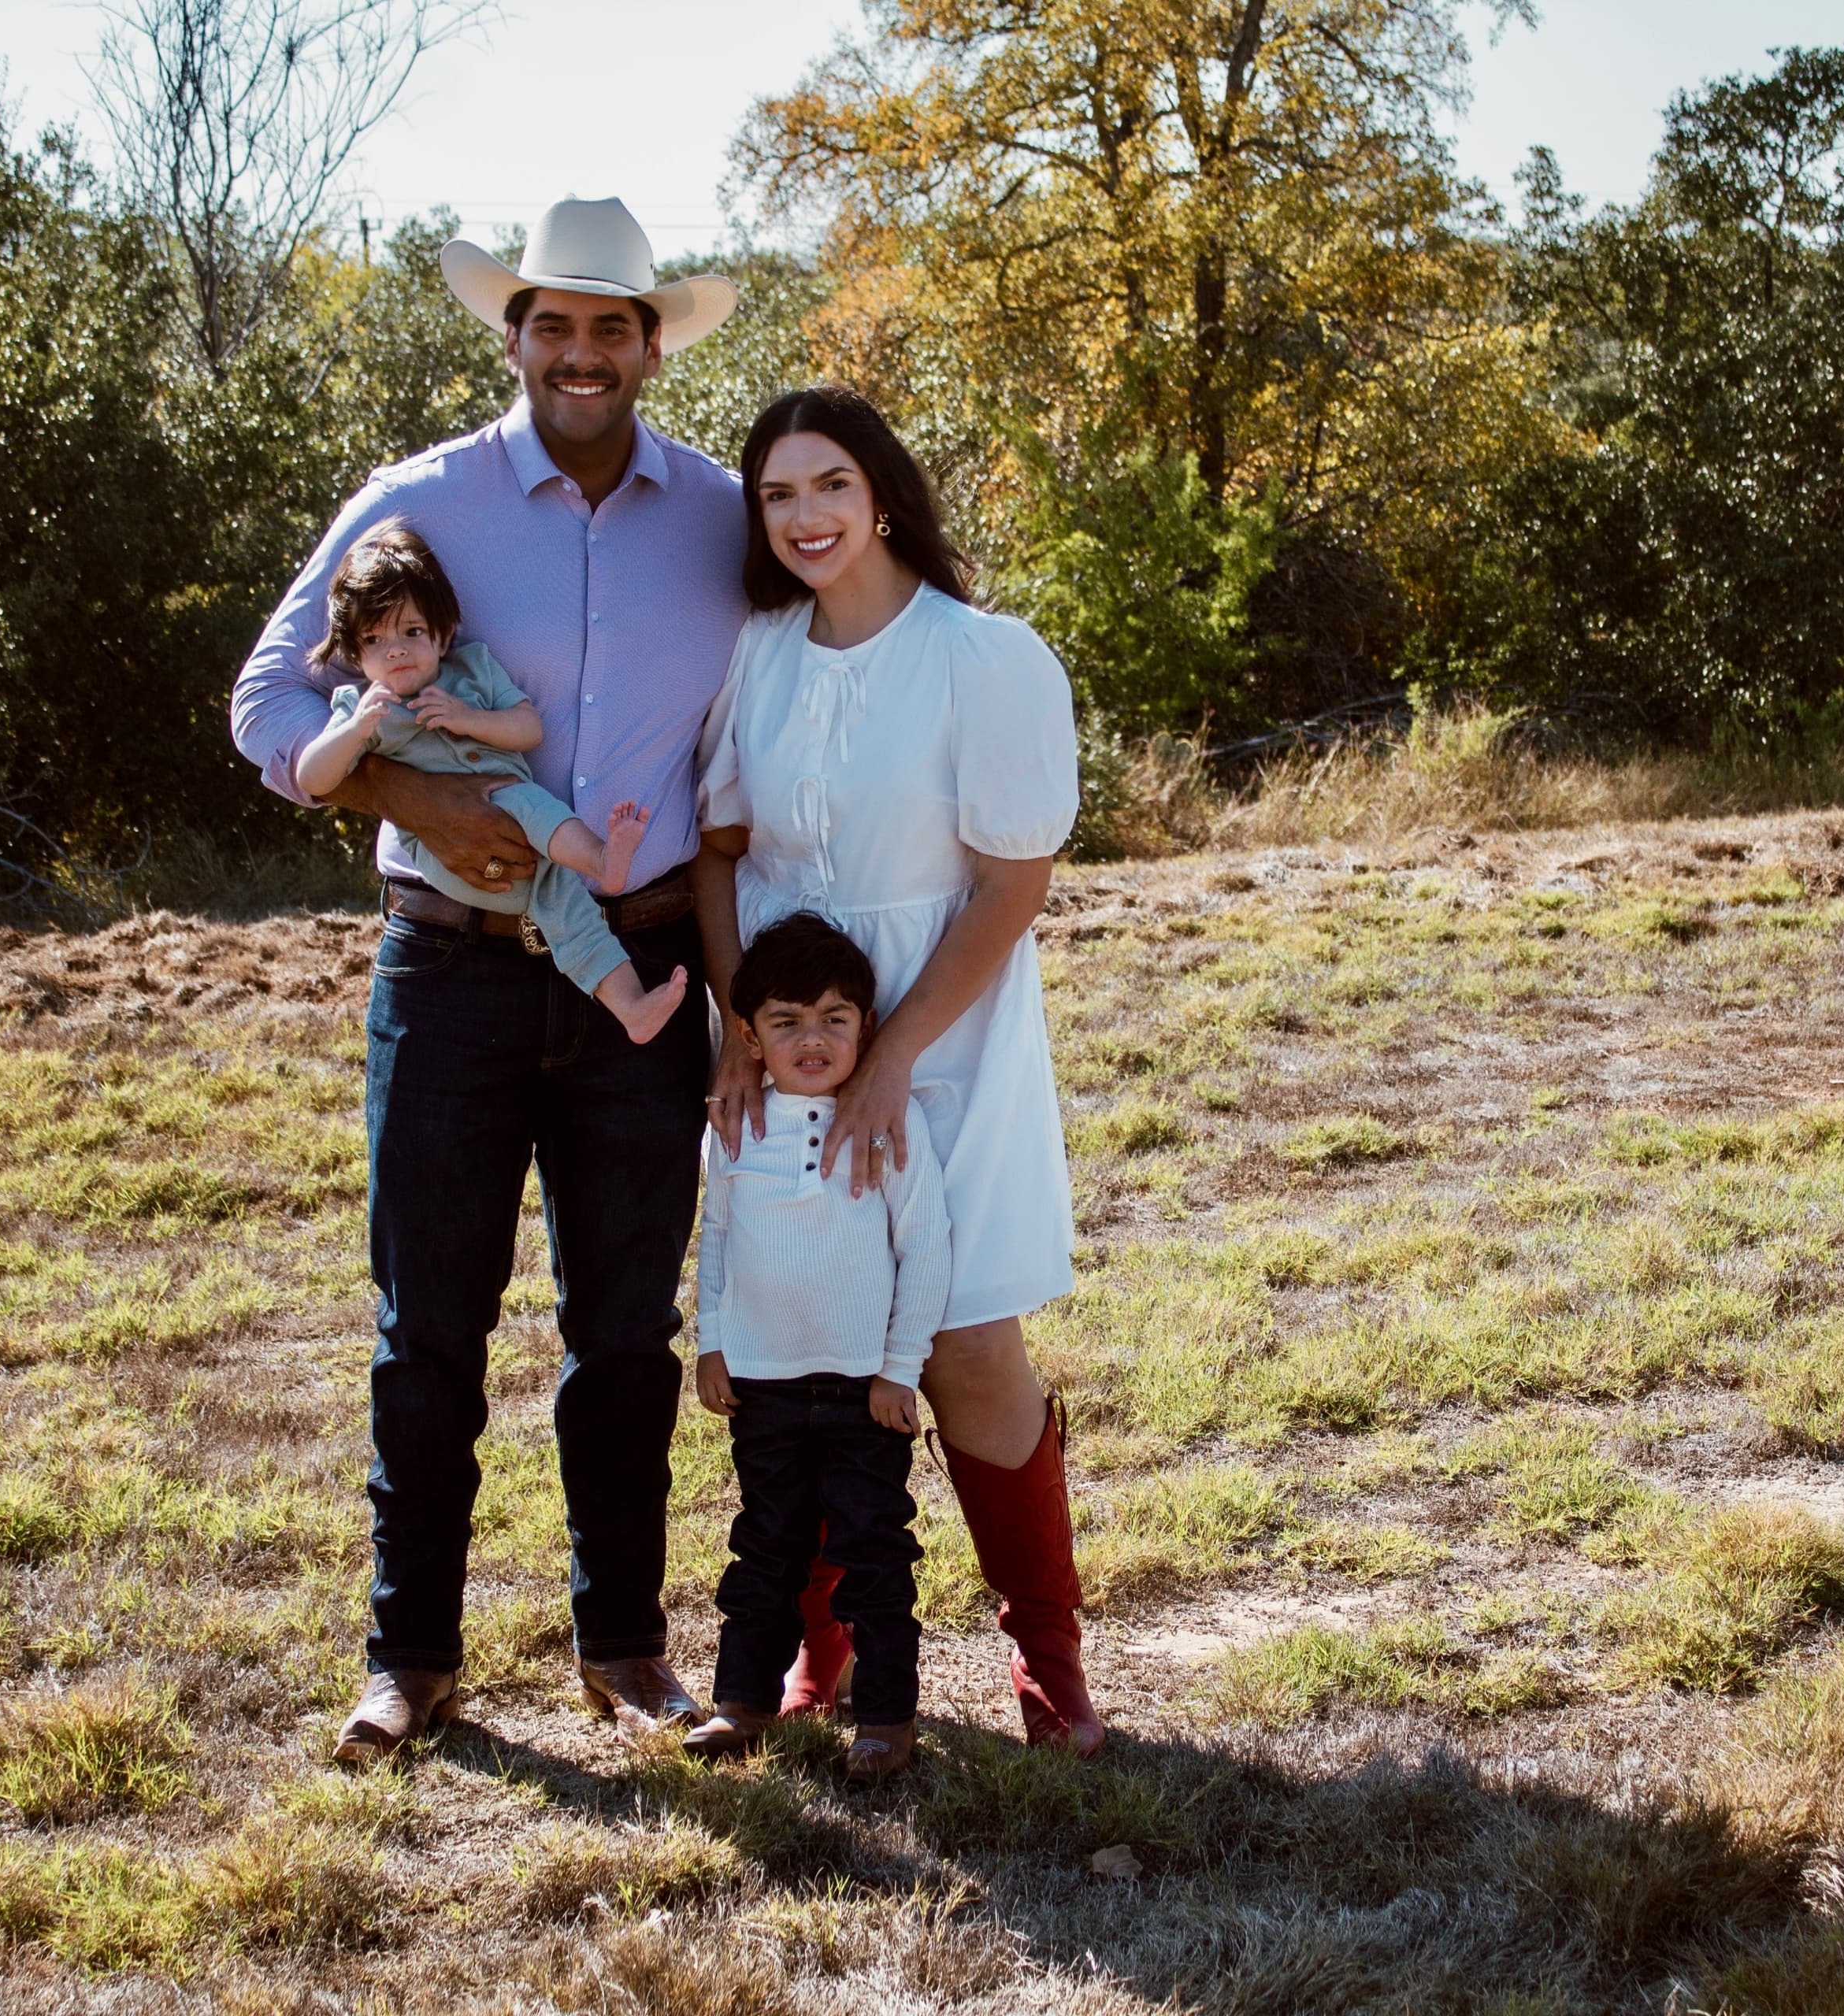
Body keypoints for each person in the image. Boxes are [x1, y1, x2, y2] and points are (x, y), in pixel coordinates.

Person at [230, 197, 746, 1759]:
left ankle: (630, 1652)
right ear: (514, 332)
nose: (582, 352)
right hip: (444, 972)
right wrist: (419, 798)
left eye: (613, 325)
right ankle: (410, 1658)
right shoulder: (422, 501)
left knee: (624, 1334)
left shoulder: (721, 517)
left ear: (653, 343)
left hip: (637, 967)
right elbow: (269, 699)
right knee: (427, 1328)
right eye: (554, 323)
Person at [694, 384, 1104, 1755]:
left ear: (881, 490)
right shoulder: (755, 654)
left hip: (948, 1030)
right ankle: (828, 1651)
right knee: (800, 1337)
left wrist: (898, 1058)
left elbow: (1011, 881)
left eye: (828, 485)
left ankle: (1049, 1661)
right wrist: (738, 1037)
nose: (805, 516)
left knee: (970, 1344)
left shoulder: (980, 657)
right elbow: (719, 855)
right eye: (776, 495)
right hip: (787, 1047)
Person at [682, 914, 948, 1783]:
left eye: (836, 1018)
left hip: (860, 1392)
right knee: (766, 1548)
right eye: (788, 1019)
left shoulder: (884, 1120)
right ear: (749, 1033)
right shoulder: (736, 1124)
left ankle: (883, 1718)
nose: (812, 1039)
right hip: (760, 1385)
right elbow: (714, 1238)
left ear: (866, 1028)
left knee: (876, 1551)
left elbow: (925, 1248)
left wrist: (898, 1370)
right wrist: (712, 1346)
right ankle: (742, 1703)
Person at [292, 517, 688, 1045]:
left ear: (444, 631)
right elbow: (312, 777)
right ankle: (597, 859)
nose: (397, 651)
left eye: (412, 632)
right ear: (352, 652)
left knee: (568, 906)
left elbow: (528, 728)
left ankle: (632, 1006)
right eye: (374, 638)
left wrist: (464, 716)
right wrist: (356, 730)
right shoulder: (363, 711)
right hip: (456, 867)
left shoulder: (473, 672)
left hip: (528, 843)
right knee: (521, 803)